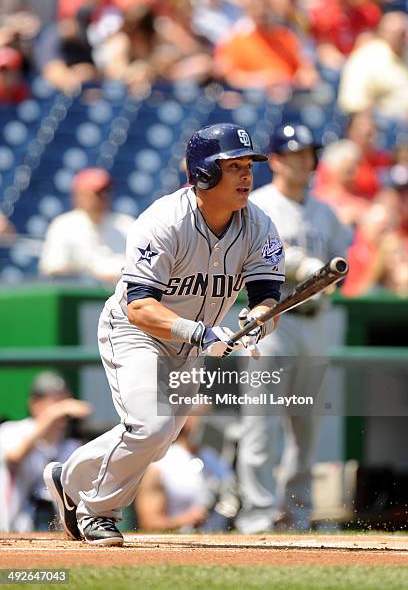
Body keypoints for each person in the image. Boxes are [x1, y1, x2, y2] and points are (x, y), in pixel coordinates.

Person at [43, 122, 285, 546]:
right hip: (135, 330)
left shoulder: (259, 224)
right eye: (234, 166)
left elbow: (267, 296)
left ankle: (70, 475)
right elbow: (139, 307)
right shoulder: (163, 220)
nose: (247, 175)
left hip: (191, 340)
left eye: (249, 165)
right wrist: (202, 333)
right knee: (149, 428)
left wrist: (257, 321)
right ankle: (96, 512)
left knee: (157, 443)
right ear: (204, 173)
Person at [236, 123, 351, 533]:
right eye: (298, 152)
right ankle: (258, 515)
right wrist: (302, 265)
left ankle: (295, 514)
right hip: (273, 321)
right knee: (261, 421)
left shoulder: (324, 210)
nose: (307, 160)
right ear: (279, 159)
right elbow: (261, 257)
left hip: (315, 322)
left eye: (310, 152)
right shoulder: (258, 205)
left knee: (307, 427)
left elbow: (343, 258)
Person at [0, 371, 91, 532]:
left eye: (65, 401)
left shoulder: (72, 445)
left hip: (55, 529)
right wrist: (53, 415)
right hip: (10, 528)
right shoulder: (12, 430)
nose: (62, 410)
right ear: (34, 404)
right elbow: (14, 456)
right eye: (55, 402)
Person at [136, 414, 235, 532]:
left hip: (224, 541)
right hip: (182, 543)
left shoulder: (217, 460)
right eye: (197, 414)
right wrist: (185, 520)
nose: (203, 420)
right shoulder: (160, 464)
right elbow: (149, 522)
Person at [39, 168, 133, 285]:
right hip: (77, 294)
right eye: (97, 193)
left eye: (107, 191)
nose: (103, 197)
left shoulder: (126, 224)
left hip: (121, 296)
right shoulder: (63, 225)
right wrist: (90, 275)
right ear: (79, 195)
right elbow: (53, 269)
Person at [338, 11, 408, 119]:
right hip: (383, 125)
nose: (403, 38)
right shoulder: (366, 57)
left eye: (404, 33)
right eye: (399, 34)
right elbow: (352, 102)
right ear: (382, 33)